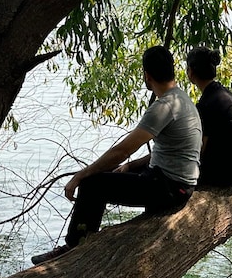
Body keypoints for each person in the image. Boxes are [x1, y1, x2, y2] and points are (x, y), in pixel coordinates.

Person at [31, 46, 202, 265]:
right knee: (109, 173)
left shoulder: (164, 107)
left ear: (147, 76)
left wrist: (80, 176)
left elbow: (121, 151)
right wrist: (131, 166)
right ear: (173, 71)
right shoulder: (181, 99)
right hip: (176, 181)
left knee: (93, 184)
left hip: (170, 188)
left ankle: (74, 248)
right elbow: (169, 151)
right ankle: (85, 238)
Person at [185, 46, 232, 189]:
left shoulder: (207, 103)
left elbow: (200, 147)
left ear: (190, 72)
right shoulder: (224, 94)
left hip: (226, 174)